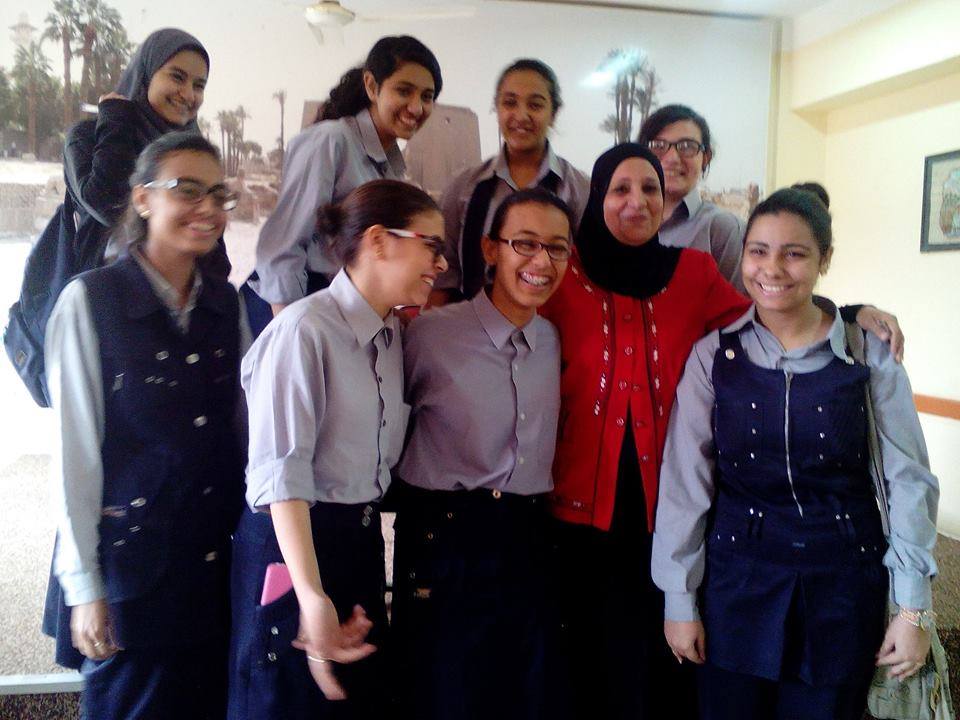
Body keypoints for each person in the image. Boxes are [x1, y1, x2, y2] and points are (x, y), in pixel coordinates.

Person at [539, 144, 904, 720]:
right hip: (579, 512)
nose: (637, 201)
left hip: (670, 508)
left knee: (672, 672)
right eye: (619, 189)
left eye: (650, 189)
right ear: (596, 197)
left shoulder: (694, 273)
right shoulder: (564, 275)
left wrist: (851, 312)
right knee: (583, 662)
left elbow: (772, 313)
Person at [652, 187, 938, 720]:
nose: (772, 268)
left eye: (795, 253)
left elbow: (908, 480)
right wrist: (678, 598)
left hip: (842, 590)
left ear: (824, 259)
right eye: (758, 251)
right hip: (735, 587)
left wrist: (912, 607)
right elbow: (684, 486)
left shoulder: (868, 353)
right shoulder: (713, 356)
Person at [43, 132, 246, 719]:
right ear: (142, 199)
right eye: (187, 189)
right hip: (130, 573)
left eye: (218, 194)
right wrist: (85, 589)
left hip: (213, 568)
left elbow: (243, 434)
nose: (207, 208)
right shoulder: (91, 301)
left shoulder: (226, 305)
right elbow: (75, 457)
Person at [228, 179, 447, 719]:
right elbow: (282, 477)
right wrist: (310, 594)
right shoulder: (304, 330)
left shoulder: (391, 336)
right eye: (431, 246)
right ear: (378, 241)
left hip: (358, 544)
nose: (441, 264)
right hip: (294, 547)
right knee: (285, 705)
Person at [392, 188, 574, 720]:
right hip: (446, 538)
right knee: (446, 696)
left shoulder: (553, 340)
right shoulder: (431, 335)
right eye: (525, 243)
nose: (542, 261)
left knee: (525, 695)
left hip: (530, 537)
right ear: (491, 249)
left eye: (557, 248)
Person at [244, 35, 443, 335]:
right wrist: (291, 331)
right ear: (372, 87)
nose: (416, 107)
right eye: (404, 91)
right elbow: (282, 246)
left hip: (339, 311)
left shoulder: (391, 167)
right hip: (294, 304)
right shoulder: (330, 141)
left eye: (427, 97)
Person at [67, 26, 229, 276]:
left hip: (182, 292)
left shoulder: (193, 152)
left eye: (199, 85)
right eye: (177, 77)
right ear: (146, 74)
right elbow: (108, 205)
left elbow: (212, 240)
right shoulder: (89, 135)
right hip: (106, 290)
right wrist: (115, 121)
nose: (188, 94)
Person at [431, 58, 589, 304]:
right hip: (472, 321)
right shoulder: (464, 187)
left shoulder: (579, 189)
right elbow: (444, 271)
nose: (521, 115)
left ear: (553, 114)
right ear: (497, 108)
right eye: (510, 103)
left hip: (554, 323)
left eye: (535, 105)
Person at [637, 104, 743, 289]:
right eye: (658, 146)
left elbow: (740, 304)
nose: (672, 158)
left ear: (706, 158)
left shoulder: (722, 229)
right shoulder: (625, 221)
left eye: (687, 146)